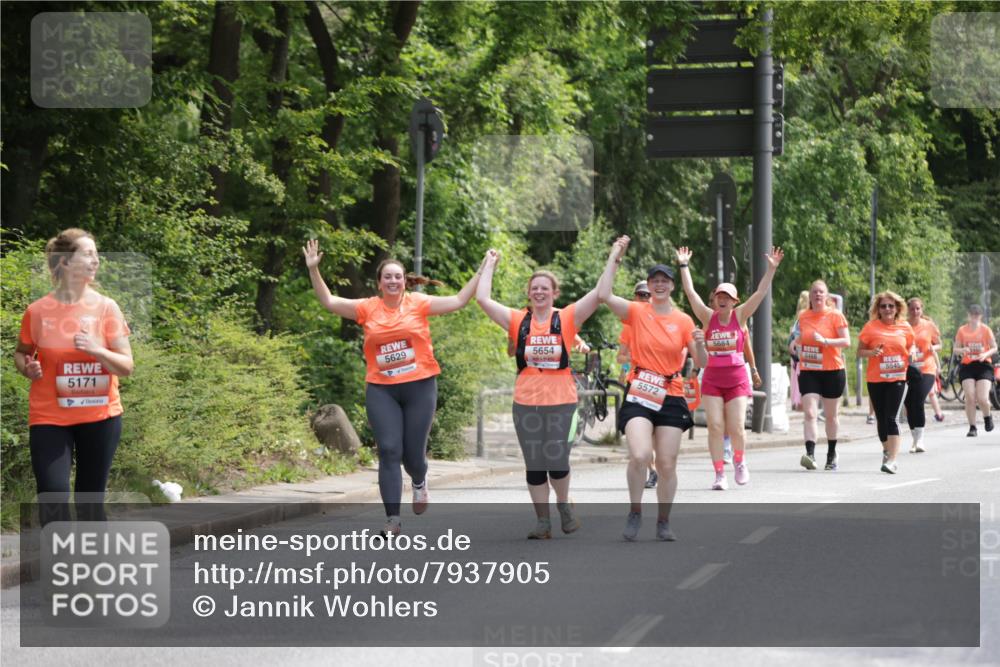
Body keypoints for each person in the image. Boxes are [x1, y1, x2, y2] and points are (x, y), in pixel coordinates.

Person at [303, 240, 485, 536]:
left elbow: (459, 300)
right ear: (379, 283)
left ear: (404, 281)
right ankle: (392, 520)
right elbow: (330, 302)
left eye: (397, 276)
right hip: (382, 389)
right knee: (388, 450)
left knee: (413, 457)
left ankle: (419, 480)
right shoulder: (367, 308)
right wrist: (314, 270)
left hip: (419, 387)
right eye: (387, 277)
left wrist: (481, 270)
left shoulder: (419, 303)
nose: (392, 281)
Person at [476, 250, 611, 539]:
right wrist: (489, 265)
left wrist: (613, 256)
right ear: (528, 293)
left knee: (556, 458)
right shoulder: (517, 320)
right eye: (534, 288)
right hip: (525, 402)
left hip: (561, 400)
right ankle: (542, 522)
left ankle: (563, 504)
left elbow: (600, 293)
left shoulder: (567, 318)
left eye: (544, 288)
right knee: (535, 462)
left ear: (554, 293)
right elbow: (483, 300)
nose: (539, 292)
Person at [14, 229, 134, 524]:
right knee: (52, 494)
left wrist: (97, 350)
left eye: (97, 254)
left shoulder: (107, 308)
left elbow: (126, 366)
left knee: (89, 502)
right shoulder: (38, 311)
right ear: (66, 262)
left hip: (100, 416)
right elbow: (21, 352)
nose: (96, 261)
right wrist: (26, 367)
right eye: (88, 254)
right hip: (50, 417)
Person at [599, 238, 707, 541]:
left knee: (667, 463)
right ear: (649, 285)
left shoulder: (684, 320)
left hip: (671, 392)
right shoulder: (636, 311)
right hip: (640, 390)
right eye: (654, 280)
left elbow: (701, 361)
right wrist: (614, 257)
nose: (659, 285)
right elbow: (604, 294)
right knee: (639, 454)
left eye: (664, 281)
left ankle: (663, 520)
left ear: (671, 286)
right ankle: (635, 511)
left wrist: (699, 344)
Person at [676, 246, 783, 490]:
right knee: (714, 425)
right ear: (714, 300)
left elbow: (760, 292)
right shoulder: (707, 317)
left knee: (735, 426)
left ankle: (739, 460)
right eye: (719, 297)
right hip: (712, 378)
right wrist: (684, 266)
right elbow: (690, 293)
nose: (722, 300)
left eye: (727, 297)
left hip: (736, 378)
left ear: (734, 301)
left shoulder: (740, 315)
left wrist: (771, 269)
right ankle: (719, 474)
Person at [790, 280, 851, 471]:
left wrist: (826, 341)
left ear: (827, 296)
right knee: (809, 413)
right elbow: (801, 337)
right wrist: (795, 344)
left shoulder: (835, 316)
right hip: (809, 370)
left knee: (831, 417)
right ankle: (810, 454)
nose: (817, 295)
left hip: (832, 370)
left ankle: (832, 453)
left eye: (821, 292)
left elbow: (846, 341)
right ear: (810, 295)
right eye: (814, 292)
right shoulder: (803, 316)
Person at [858, 291, 915, 474]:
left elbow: (911, 344)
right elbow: (859, 352)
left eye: (891, 305)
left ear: (897, 308)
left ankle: (892, 460)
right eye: (883, 306)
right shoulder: (870, 327)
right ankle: (886, 449)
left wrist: (912, 352)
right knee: (881, 420)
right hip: (875, 379)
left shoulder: (905, 327)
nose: (888, 309)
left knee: (892, 418)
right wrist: (871, 352)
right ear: (878, 309)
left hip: (898, 378)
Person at [616, 281, 659, 487]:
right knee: (639, 429)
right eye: (640, 295)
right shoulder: (629, 325)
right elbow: (620, 357)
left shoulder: (664, 319)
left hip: (659, 382)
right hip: (637, 383)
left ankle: (654, 468)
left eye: (647, 295)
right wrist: (627, 366)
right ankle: (651, 470)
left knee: (653, 431)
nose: (643, 299)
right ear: (634, 298)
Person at [904, 298, 942, 452]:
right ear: (908, 310)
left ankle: (920, 439)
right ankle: (915, 437)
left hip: (927, 368)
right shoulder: (903, 326)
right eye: (912, 309)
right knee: (908, 402)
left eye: (918, 309)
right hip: (908, 368)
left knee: (918, 399)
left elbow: (939, 343)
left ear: (922, 309)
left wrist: (934, 349)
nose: (915, 312)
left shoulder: (928, 326)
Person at [954, 304, 997, 436]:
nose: (974, 317)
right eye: (972, 314)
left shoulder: (985, 330)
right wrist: (962, 350)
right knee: (970, 397)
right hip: (967, 366)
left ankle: (987, 416)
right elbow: (955, 349)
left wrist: (985, 354)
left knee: (983, 398)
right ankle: (972, 427)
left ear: (980, 316)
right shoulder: (962, 330)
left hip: (983, 365)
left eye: (977, 315)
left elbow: (994, 347)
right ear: (968, 315)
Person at [788, 290, 810, 411]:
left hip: (796, 354)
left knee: (797, 381)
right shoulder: (806, 314)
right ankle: (805, 407)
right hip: (804, 354)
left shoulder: (798, 316)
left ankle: (799, 404)